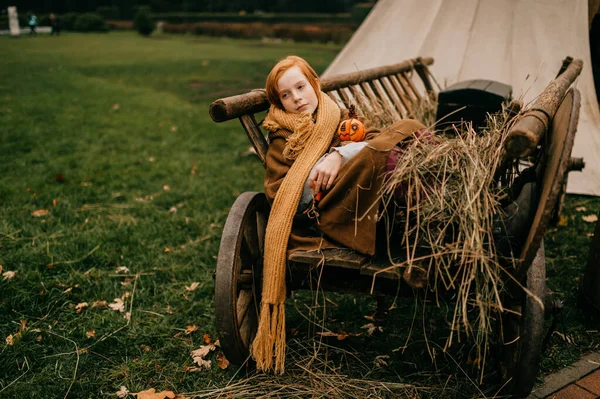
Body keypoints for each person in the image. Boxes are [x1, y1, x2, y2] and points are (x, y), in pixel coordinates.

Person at [252, 55, 426, 373]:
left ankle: (423, 209)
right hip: (326, 207)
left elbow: (372, 138)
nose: (297, 98)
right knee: (381, 157)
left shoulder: (338, 117)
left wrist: (338, 155)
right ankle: (416, 212)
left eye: (301, 87)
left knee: (402, 136)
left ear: (315, 84)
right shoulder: (280, 137)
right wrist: (318, 170)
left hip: (359, 193)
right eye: (285, 95)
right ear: (278, 102)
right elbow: (281, 192)